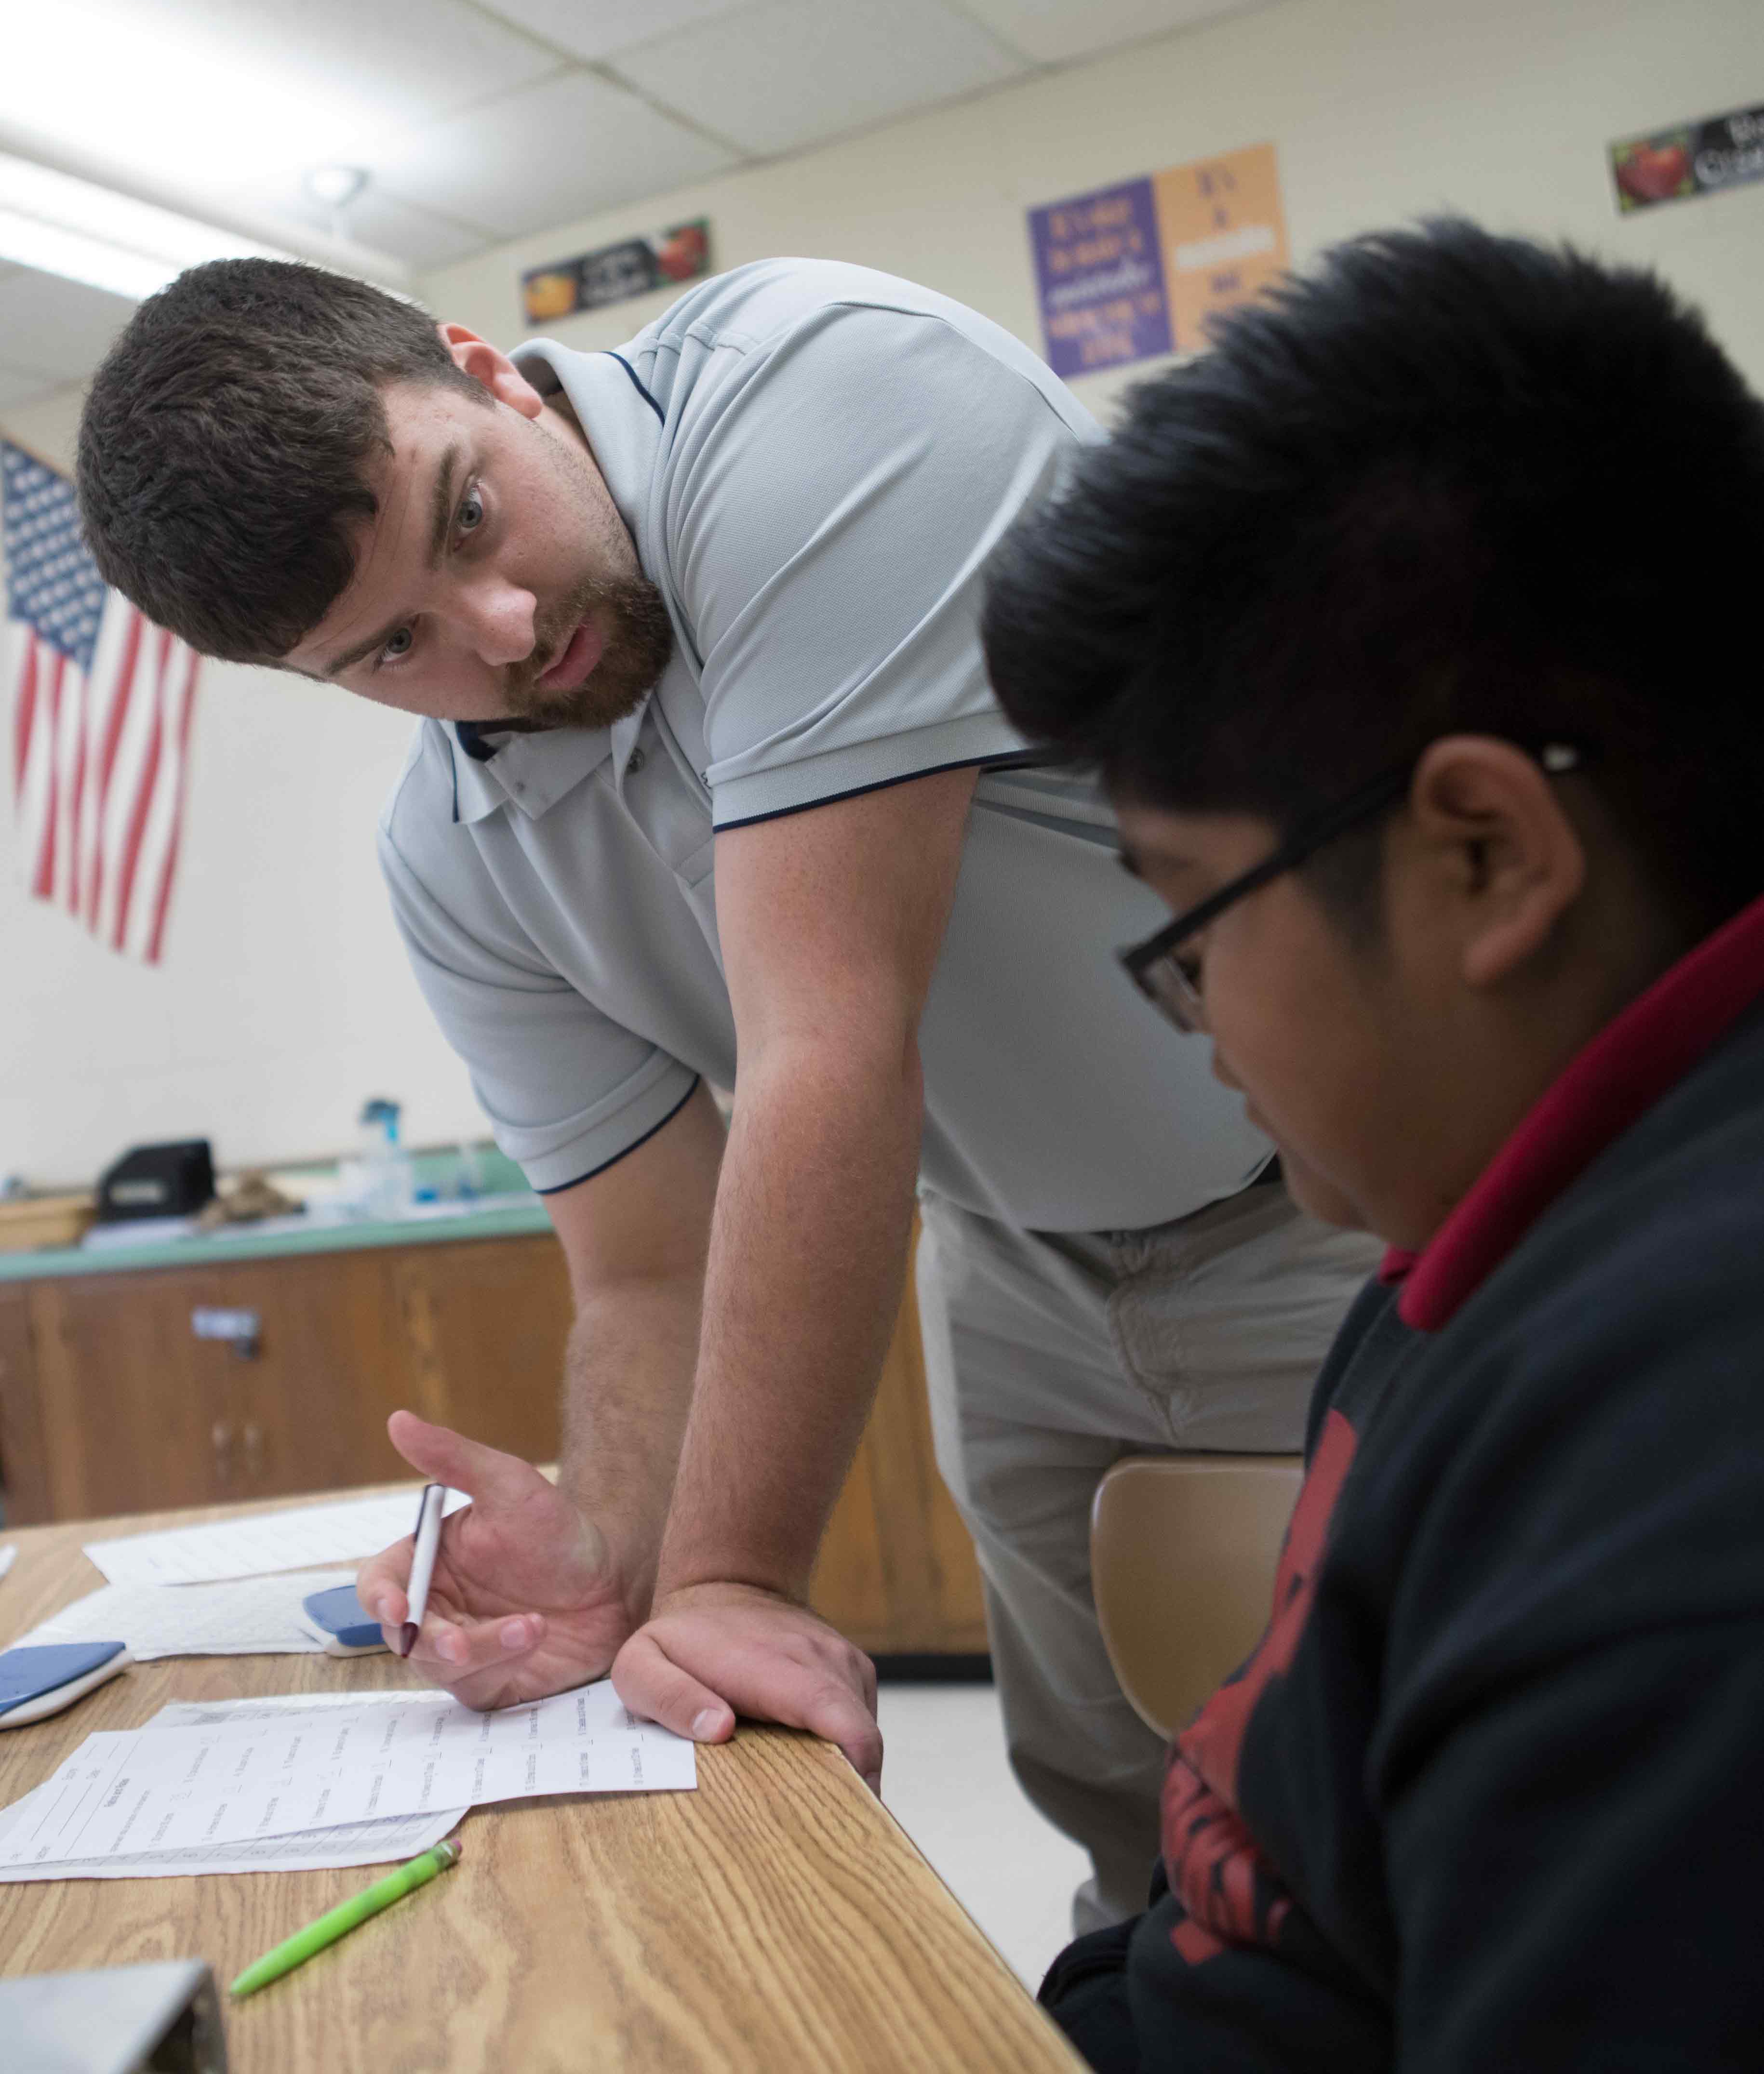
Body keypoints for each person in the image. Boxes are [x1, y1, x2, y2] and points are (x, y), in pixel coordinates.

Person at [75, 254, 1376, 1928]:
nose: (499, 632)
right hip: (1022, 1265)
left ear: (493, 373)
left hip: (1355, 1185)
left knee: (1458, 1798)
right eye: (391, 647)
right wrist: (616, 1550)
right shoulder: (458, 866)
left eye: (468, 517)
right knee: (1141, 1830)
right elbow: (646, 1266)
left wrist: (731, 1576)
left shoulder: (823, 395)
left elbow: (829, 1037)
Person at [979, 218, 1764, 2068]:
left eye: (1190, 918)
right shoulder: (1466, 1240)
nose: (1193, 1016)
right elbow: (1241, 1882)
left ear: (1483, 856)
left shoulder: (1681, 1494)